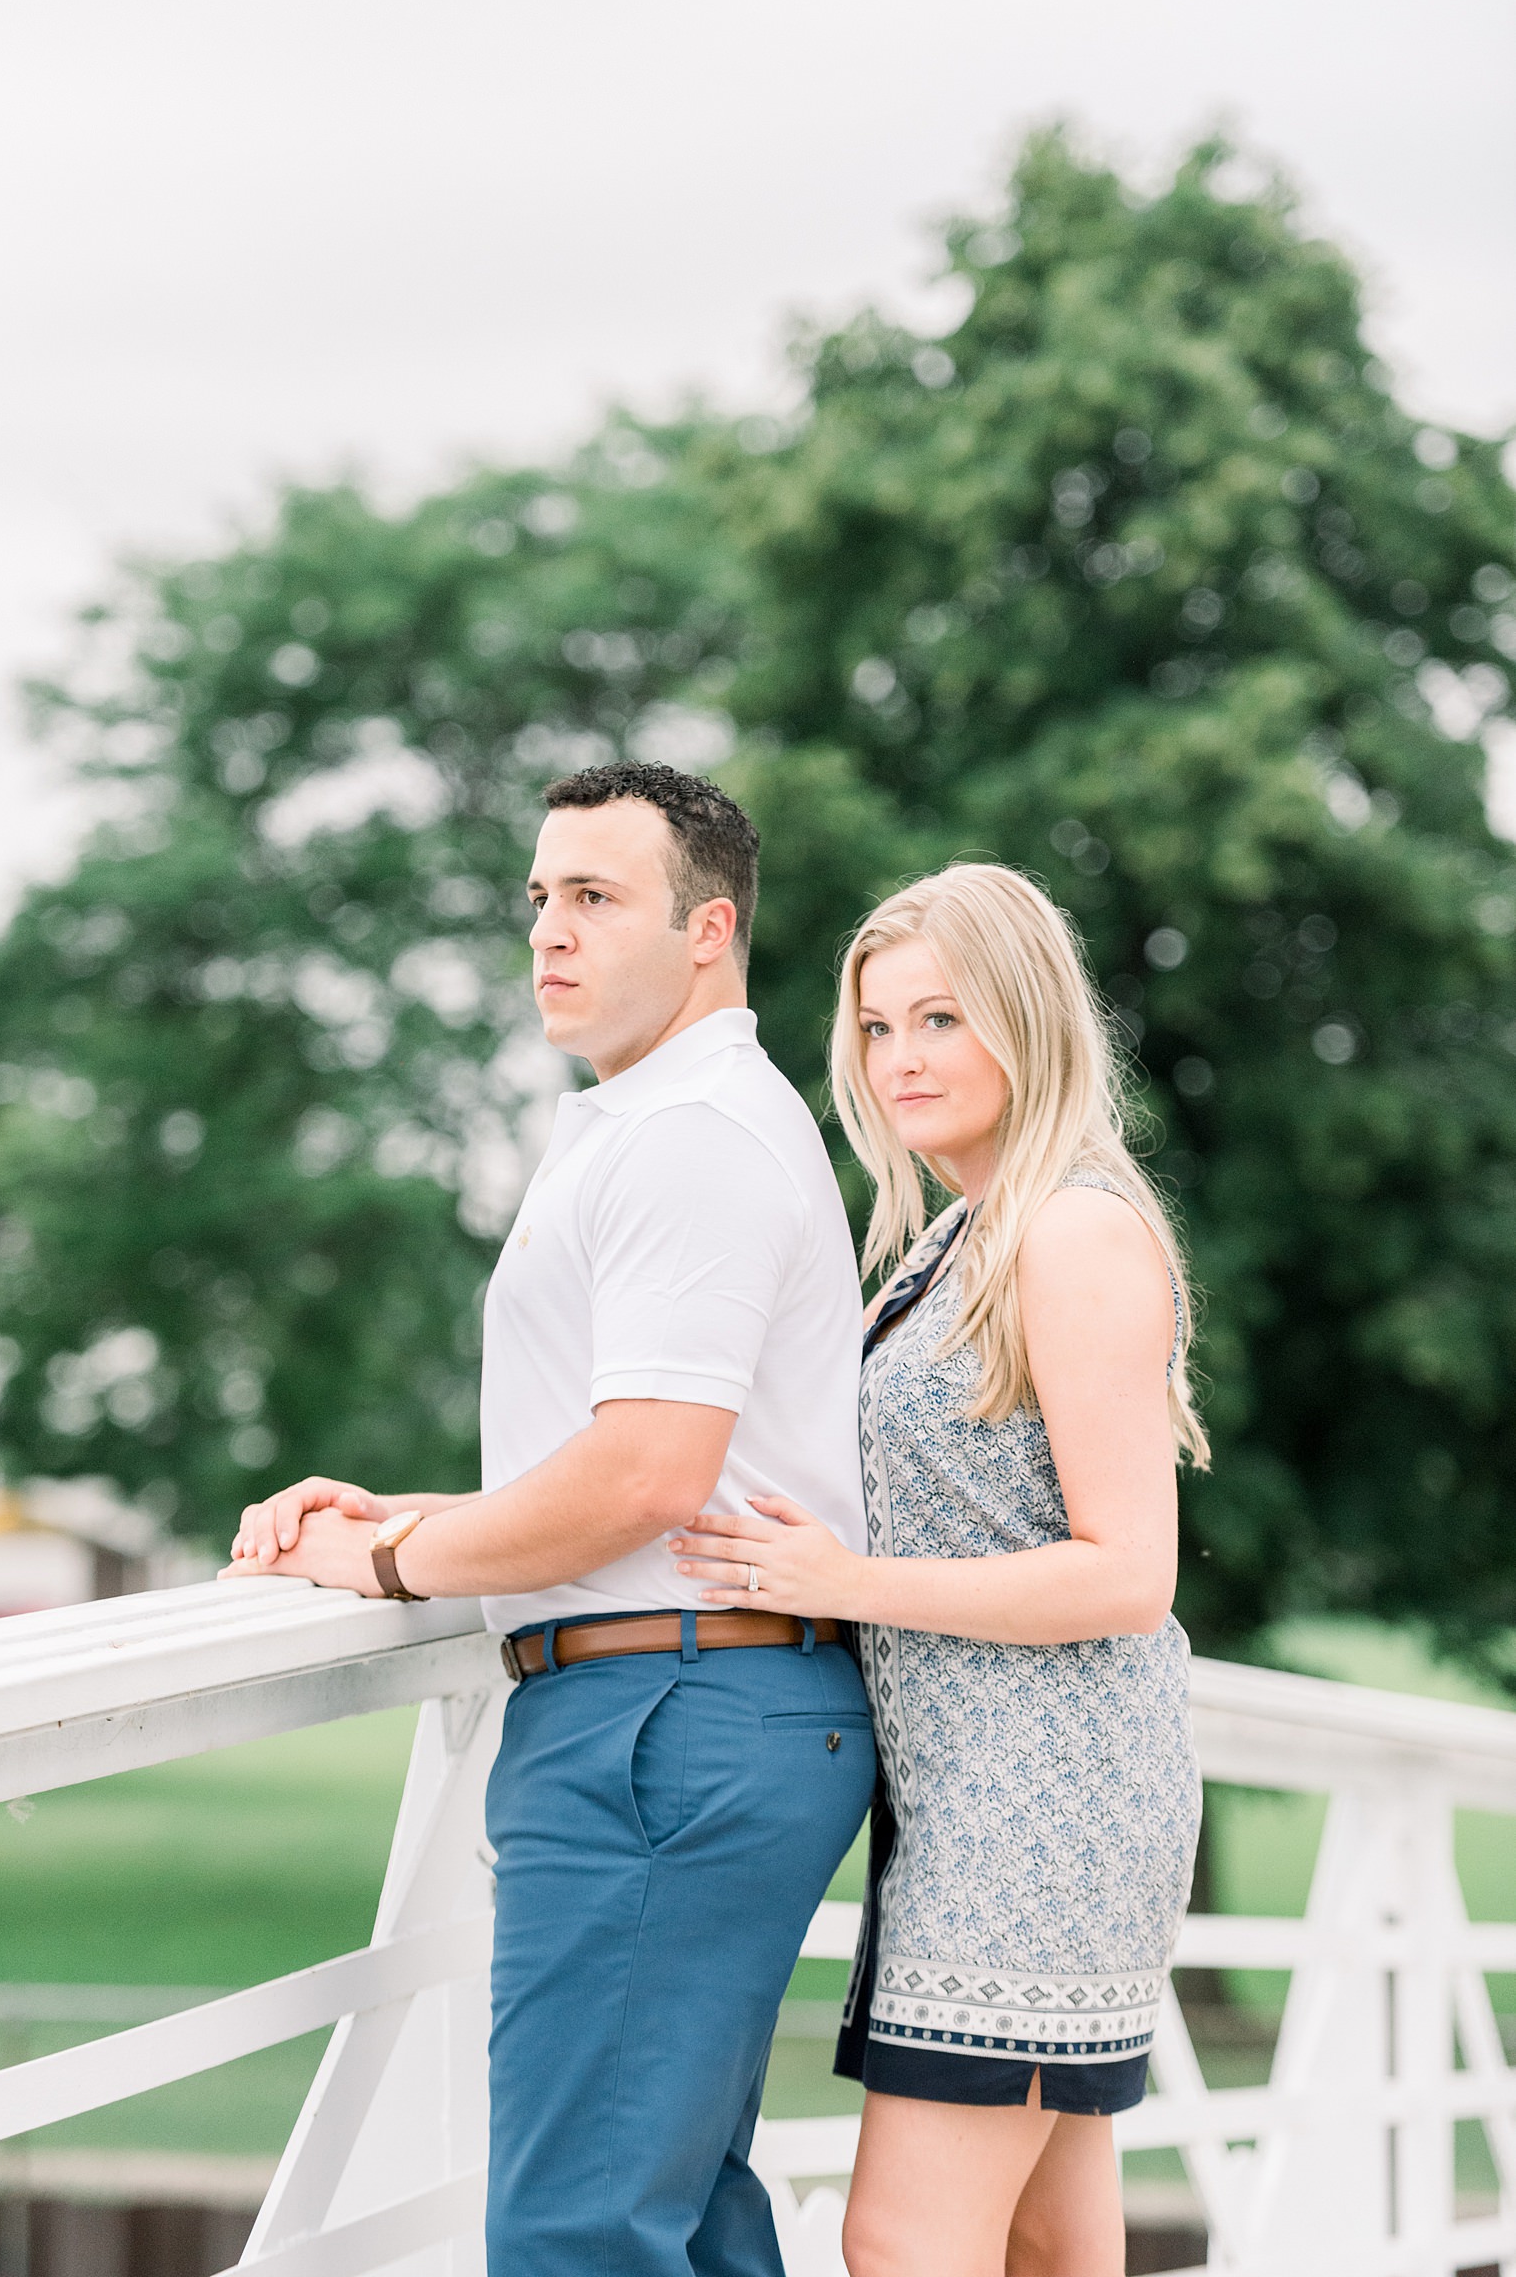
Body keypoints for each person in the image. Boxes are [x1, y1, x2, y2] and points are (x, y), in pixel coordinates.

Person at [225, 761, 875, 2277]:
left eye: (594, 897)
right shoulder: (647, 1124)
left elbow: (643, 1477)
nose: (548, 933)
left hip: (668, 1716)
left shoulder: (691, 1135)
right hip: (681, 1698)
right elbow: (653, 1467)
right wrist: (418, 1511)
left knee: (581, 2238)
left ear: (707, 929)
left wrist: (386, 1562)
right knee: (680, 2226)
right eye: (538, 897)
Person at [671, 861, 1206, 2277]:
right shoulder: (951, 1241)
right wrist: (419, 1519)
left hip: (1049, 1811)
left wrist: (840, 1584)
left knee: (905, 2243)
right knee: (1046, 2244)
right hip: (979, 1796)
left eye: (941, 1020)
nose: (899, 1058)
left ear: (1025, 1025)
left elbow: (1124, 1575)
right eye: (875, 1026)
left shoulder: (1072, 1231)